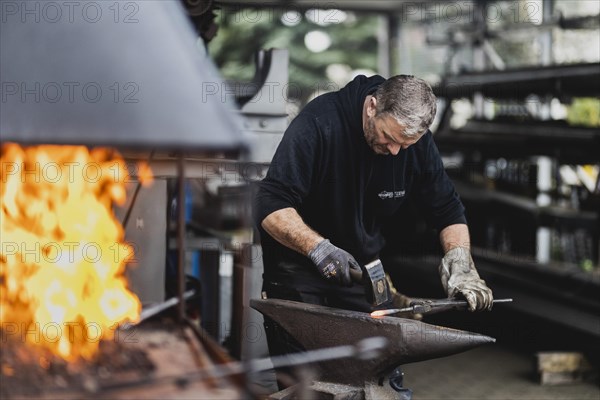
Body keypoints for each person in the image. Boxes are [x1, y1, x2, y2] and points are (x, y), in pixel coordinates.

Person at [254, 74, 493, 360]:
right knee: (307, 378)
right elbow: (270, 203)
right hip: (298, 269)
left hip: (363, 273)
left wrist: (461, 263)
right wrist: (318, 248)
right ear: (371, 107)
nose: (394, 152)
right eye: (389, 138)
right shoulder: (318, 123)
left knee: (375, 367)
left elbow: (447, 209)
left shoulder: (415, 144)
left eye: (404, 146)